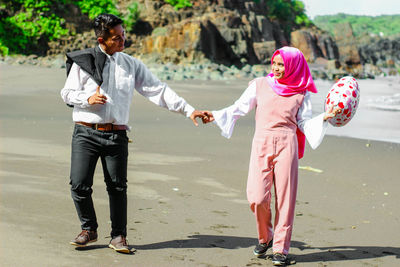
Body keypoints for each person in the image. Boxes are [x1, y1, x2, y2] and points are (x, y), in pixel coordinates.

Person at [61, 13, 208, 254]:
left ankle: (118, 236)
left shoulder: (130, 64)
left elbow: (158, 90)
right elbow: (66, 94)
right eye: (117, 37)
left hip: (116, 135)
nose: (123, 41)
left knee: (117, 188)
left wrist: (188, 110)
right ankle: (89, 229)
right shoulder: (82, 62)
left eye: (123, 35)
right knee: (78, 185)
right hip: (85, 132)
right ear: (102, 39)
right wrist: (87, 99)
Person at [203, 47, 340, 265]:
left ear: (293, 66)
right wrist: (215, 116)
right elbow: (238, 108)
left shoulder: (301, 92)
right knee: (257, 197)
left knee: (286, 199)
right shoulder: (259, 85)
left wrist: (324, 117)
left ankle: (281, 249)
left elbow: (303, 123)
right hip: (261, 143)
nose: (276, 68)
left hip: (287, 143)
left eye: (281, 65)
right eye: (274, 63)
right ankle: (265, 237)